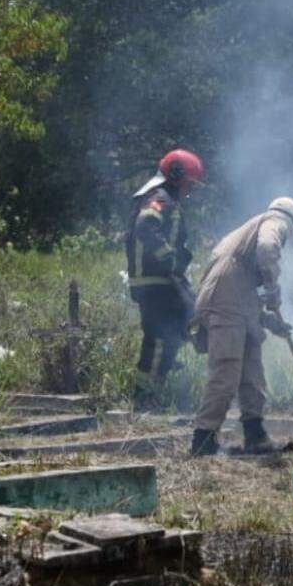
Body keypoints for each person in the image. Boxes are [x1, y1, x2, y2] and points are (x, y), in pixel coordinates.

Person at [189, 197, 293, 456]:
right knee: (226, 371)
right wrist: (273, 287)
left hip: (234, 302)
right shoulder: (276, 221)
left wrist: (271, 322)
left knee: (252, 370)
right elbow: (266, 249)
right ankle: (203, 439)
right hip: (226, 302)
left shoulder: (247, 231)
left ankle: (255, 435)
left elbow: (243, 293)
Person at [125, 149, 205, 412]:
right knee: (159, 338)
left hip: (160, 281)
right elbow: (145, 226)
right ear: (176, 176)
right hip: (156, 282)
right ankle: (145, 397)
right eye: (189, 183)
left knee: (178, 327)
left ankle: (156, 384)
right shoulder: (160, 200)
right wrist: (169, 258)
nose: (189, 190)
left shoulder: (164, 198)